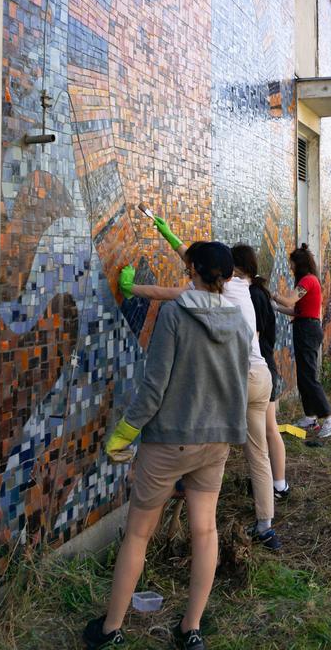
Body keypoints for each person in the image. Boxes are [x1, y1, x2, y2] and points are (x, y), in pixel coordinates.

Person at [83, 242, 251, 650]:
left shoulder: (175, 315)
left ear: (192, 270)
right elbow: (239, 382)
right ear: (227, 277)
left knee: (139, 533)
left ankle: (111, 628)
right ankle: (191, 629)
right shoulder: (238, 321)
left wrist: (124, 433)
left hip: (169, 441)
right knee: (205, 531)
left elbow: (153, 387)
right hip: (216, 442)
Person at [119, 217, 280, 550]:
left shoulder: (202, 297)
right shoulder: (240, 287)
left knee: (196, 429)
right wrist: (169, 235)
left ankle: (182, 488)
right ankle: (266, 523)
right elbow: (195, 260)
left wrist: (131, 289)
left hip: (239, 378)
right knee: (258, 452)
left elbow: (165, 293)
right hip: (261, 376)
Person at [232, 244, 289, 502]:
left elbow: (253, 334)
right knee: (269, 429)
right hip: (266, 366)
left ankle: (277, 485)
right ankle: (278, 484)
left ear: (237, 267)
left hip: (260, 367)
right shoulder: (258, 291)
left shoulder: (251, 294)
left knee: (268, 430)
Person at [272, 244, 331, 440]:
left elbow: (289, 301)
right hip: (304, 327)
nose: (290, 267)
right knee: (303, 376)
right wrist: (275, 307)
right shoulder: (308, 281)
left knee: (309, 377)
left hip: (308, 330)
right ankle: (310, 417)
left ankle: (330, 417)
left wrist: (273, 295)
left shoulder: (308, 280)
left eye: (292, 264)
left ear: (299, 263)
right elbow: (296, 310)